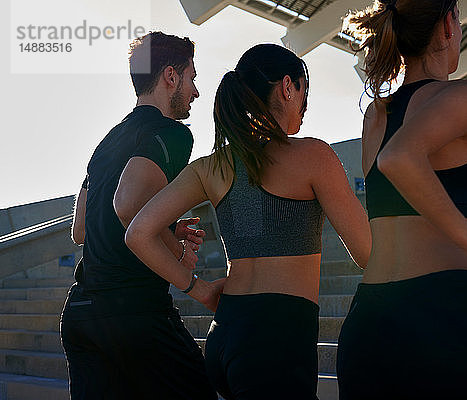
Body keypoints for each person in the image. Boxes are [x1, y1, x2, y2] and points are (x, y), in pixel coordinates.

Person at [125, 43, 371, 400]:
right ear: (288, 87)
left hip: (224, 335)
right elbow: (367, 253)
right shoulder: (313, 155)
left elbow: (138, 233)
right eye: (304, 93)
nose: (305, 106)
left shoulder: (212, 166)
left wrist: (197, 289)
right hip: (276, 342)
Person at [336, 1, 467, 399]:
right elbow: (400, 158)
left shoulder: (377, 114)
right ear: (447, 26)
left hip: (368, 325)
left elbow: (400, 191)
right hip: (440, 316)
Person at [60, 31, 221, 400]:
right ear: (170, 77)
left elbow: (81, 229)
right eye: (192, 78)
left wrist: (165, 226)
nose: (195, 91)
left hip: (82, 314)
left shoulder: (107, 141)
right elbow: (129, 205)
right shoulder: (173, 134)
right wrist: (193, 280)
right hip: (134, 313)